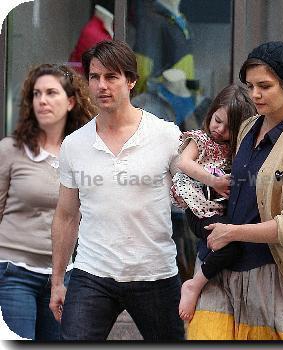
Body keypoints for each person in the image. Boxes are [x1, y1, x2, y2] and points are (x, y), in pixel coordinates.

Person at [184, 41, 283, 340]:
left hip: (270, 274)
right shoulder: (249, 126)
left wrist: (233, 232)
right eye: (250, 85)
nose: (255, 95)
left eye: (265, 86)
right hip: (222, 266)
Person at [49, 40, 185, 341]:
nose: (101, 85)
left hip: (155, 272)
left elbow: (191, 197)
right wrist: (58, 280)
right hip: (93, 272)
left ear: (131, 80)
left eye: (111, 77)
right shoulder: (74, 144)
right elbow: (66, 216)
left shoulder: (165, 135)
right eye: (94, 77)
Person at [0, 64, 95, 340]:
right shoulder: (11, 150)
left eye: (51, 93)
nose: (42, 100)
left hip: (64, 277)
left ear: (71, 102)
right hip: (13, 272)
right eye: (37, 94)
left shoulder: (83, 155)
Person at [172, 84, 256, 321]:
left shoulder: (235, 150)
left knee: (232, 246)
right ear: (211, 112)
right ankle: (193, 285)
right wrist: (213, 180)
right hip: (198, 207)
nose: (219, 129)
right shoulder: (200, 140)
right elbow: (183, 163)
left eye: (229, 128)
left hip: (219, 209)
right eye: (217, 120)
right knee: (230, 246)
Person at [133, 0, 195, 93]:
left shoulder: (181, 20)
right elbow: (142, 71)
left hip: (181, 98)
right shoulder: (151, 20)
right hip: (162, 101)